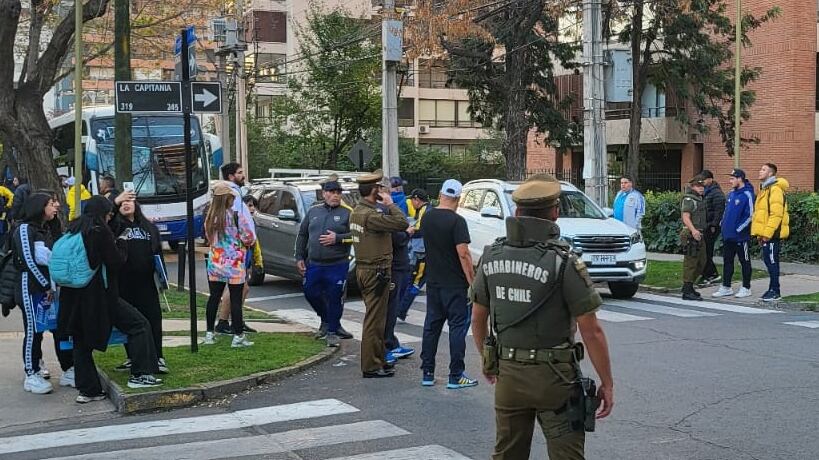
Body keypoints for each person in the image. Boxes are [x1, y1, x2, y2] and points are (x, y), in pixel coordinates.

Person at [470, 174, 614, 460]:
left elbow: (477, 317)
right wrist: (607, 383)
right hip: (555, 379)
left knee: (507, 454)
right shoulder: (564, 261)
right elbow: (591, 330)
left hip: (509, 375)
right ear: (554, 213)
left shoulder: (491, 256)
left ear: (517, 212)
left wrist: (488, 360)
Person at [58, 195, 163, 403]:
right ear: (101, 214)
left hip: (74, 296)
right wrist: (122, 242)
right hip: (101, 296)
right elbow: (115, 261)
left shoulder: (74, 230)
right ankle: (140, 374)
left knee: (81, 343)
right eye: (107, 215)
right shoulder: (99, 231)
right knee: (140, 325)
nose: (109, 218)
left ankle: (88, 390)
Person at [13, 193, 74, 394]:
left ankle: (68, 368)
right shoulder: (24, 229)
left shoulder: (47, 228)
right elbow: (28, 261)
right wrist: (45, 285)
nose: (55, 206)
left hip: (50, 288)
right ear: (39, 207)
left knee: (59, 328)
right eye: (50, 203)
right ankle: (32, 373)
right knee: (34, 330)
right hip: (30, 288)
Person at [350, 170, 409, 378]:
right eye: (379, 188)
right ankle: (371, 366)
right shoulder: (371, 216)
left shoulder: (358, 211)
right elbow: (402, 223)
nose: (382, 190)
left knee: (378, 320)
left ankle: (379, 359)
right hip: (375, 271)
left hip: (367, 270)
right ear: (373, 191)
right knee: (374, 322)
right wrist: (390, 204)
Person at [419, 179, 476, 389]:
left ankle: (427, 372)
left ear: (440, 195)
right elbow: (463, 254)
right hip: (455, 284)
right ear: (458, 199)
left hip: (434, 281)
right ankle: (456, 375)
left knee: (431, 327)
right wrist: (472, 281)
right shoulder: (457, 221)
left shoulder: (427, 217)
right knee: (457, 328)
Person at [294, 177, 355, 346]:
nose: (335, 196)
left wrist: (338, 238)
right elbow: (303, 234)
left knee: (335, 296)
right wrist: (299, 257)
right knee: (310, 292)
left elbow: (358, 236)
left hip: (337, 263)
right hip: (314, 263)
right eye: (332, 192)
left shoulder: (348, 213)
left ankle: (332, 332)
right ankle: (327, 320)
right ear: (324, 194)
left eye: (338, 193)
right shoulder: (314, 211)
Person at [112, 197, 168, 374]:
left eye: (129, 201)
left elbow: (158, 253)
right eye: (122, 203)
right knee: (129, 321)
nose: (126, 204)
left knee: (153, 319)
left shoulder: (148, 227)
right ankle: (132, 356)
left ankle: (158, 357)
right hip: (123, 282)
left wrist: (163, 278)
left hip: (147, 282)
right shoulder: (115, 227)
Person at [202, 183, 256, 347]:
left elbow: (209, 238)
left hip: (215, 262)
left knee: (214, 297)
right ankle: (238, 336)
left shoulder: (210, 218)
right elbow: (249, 237)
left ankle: (209, 334)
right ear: (228, 199)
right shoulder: (236, 216)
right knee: (235, 299)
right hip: (234, 263)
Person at [214, 163, 257, 332]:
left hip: (234, 248)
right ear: (231, 176)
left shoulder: (234, 193)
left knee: (241, 287)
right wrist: (248, 239)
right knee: (238, 287)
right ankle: (226, 322)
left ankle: (234, 321)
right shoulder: (232, 195)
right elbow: (241, 221)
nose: (243, 175)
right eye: (239, 173)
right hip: (236, 249)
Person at [214, 195, 265, 335]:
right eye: (249, 205)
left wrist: (257, 260)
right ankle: (224, 322)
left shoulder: (249, 220)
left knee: (243, 289)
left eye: (254, 206)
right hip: (236, 258)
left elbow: (255, 243)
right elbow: (246, 238)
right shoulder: (237, 218)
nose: (252, 209)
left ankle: (236, 321)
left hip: (243, 258)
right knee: (235, 289)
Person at [381, 202, 415, 361]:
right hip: (394, 267)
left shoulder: (387, 212)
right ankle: (386, 346)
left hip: (401, 265)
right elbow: (397, 239)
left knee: (393, 308)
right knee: (390, 308)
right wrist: (408, 233)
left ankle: (392, 343)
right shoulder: (383, 214)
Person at [751, 163, 790, 302]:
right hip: (766, 235)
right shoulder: (765, 189)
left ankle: (775, 291)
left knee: (772, 261)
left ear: (771, 174)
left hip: (772, 234)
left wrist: (767, 234)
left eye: (763, 170)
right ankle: (772, 289)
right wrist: (760, 234)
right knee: (769, 261)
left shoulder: (775, 190)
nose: (760, 171)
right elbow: (761, 215)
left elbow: (776, 214)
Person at [713, 169, 755, 298]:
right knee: (727, 261)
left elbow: (750, 215)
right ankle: (726, 286)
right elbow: (726, 211)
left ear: (740, 179)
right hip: (728, 235)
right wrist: (723, 224)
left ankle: (746, 287)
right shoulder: (731, 194)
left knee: (744, 261)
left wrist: (739, 229)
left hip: (741, 237)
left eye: (732, 178)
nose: (730, 181)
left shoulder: (747, 194)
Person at [399, 188, 430, 321]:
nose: (411, 203)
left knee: (415, 283)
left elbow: (420, 229)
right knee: (414, 282)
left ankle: (401, 310)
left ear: (417, 200)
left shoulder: (425, 210)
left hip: (421, 254)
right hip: (421, 253)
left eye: (412, 200)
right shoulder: (426, 210)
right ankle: (401, 310)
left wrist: (409, 231)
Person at [680, 175, 708, 301]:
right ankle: (687, 289)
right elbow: (686, 217)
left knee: (702, 261)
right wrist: (693, 230)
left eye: (702, 186)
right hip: (691, 233)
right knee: (691, 262)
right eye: (698, 186)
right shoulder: (689, 199)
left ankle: (689, 285)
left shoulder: (699, 198)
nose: (701, 188)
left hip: (699, 233)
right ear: (692, 187)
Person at [698, 170, 726, 286]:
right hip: (706, 225)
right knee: (705, 251)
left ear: (710, 179)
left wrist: (714, 225)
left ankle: (711, 274)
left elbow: (719, 211)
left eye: (704, 180)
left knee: (707, 251)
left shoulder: (716, 193)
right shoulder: (707, 192)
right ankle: (709, 273)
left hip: (711, 227)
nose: (702, 182)